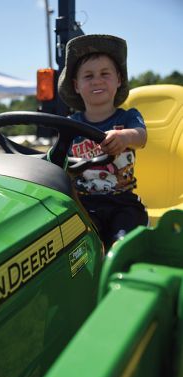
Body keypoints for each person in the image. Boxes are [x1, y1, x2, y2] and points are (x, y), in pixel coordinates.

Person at [57, 34, 148, 250]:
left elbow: (141, 137)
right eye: (88, 76)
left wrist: (125, 137)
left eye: (104, 74)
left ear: (118, 79)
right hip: (84, 204)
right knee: (73, 243)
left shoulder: (127, 118)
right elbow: (58, 158)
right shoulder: (70, 124)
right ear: (76, 85)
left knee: (121, 244)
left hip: (122, 202)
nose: (97, 80)